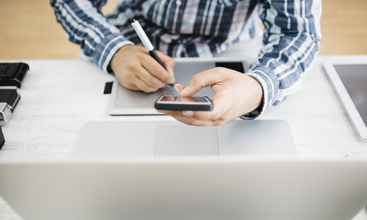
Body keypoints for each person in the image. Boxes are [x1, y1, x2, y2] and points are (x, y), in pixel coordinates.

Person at [51, 0, 321, 126]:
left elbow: (297, 31)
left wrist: (257, 87)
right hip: (129, 39)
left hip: (233, 45)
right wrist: (114, 51)